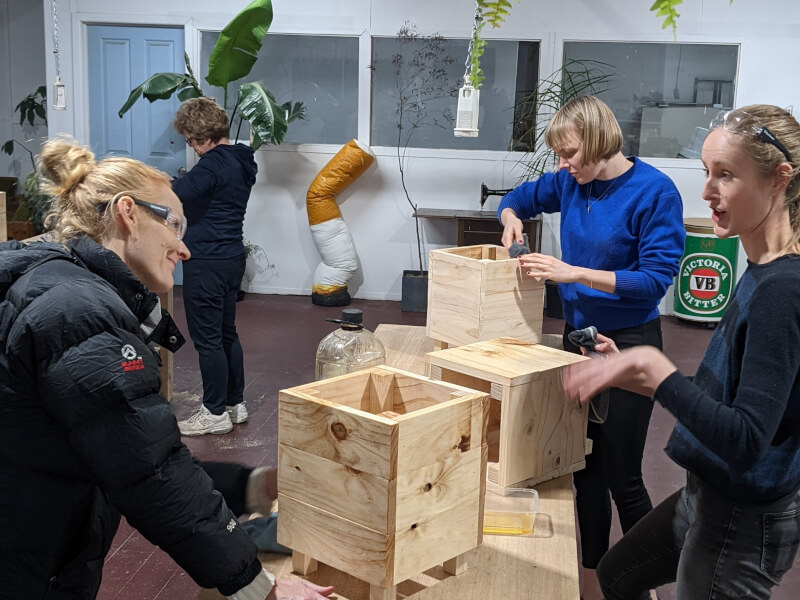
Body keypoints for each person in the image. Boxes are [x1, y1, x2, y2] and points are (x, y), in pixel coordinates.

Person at [0, 139, 333, 600]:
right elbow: (150, 474)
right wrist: (260, 588)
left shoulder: (62, 288)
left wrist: (255, 487)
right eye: (175, 223)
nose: (184, 248)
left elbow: (132, 449)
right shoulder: (79, 312)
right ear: (127, 213)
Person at [562, 104, 800, 600]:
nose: (707, 192)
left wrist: (656, 368)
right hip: (706, 494)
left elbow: (746, 439)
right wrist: (624, 371)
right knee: (616, 574)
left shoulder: (783, 291)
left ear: (779, 179)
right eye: (706, 173)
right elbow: (727, 402)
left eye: (726, 176)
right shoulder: (759, 271)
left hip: (743, 522)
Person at [497, 95, 686, 600]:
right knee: (585, 471)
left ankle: (640, 587)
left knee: (623, 474)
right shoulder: (568, 182)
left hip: (628, 346)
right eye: (558, 157)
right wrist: (511, 217)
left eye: (571, 154)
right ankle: (592, 585)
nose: (563, 166)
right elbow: (517, 196)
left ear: (601, 142)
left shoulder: (654, 192)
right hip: (578, 342)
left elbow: (654, 281)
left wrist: (571, 272)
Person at [172, 97, 257, 436]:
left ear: (206, 136)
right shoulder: (241, 159)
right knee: (225, 334)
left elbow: (176, 196)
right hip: (231, 257)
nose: (191, 147)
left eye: (191, 140)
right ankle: (235, 404)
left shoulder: (211, 165)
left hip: (206, 261)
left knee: (207, 340)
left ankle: (213, 412)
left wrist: (161, 185)